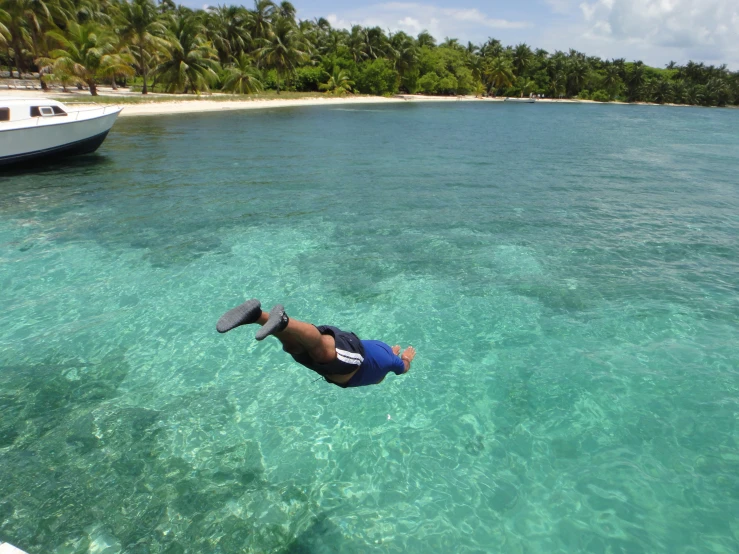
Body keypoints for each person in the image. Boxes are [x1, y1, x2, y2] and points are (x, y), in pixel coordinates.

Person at [216, 299, 416, 388]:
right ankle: (282, 320)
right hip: (353, 358)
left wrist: (392, 353)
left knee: (295, 346)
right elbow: (403, 368)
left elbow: (386, 361)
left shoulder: (385, 357)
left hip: (351, 349)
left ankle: (258, 315)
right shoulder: (391, 362)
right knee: (321, 351)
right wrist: (406, 358)